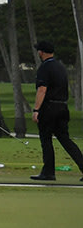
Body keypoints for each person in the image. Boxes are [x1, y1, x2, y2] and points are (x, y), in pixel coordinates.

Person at [30, 39, 83, 182]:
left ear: (41, 52)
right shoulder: (60, 67)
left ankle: (48, 172)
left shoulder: (44, 68)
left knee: (46, 140)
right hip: (62, 107)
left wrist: (36, 109)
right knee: (65, 139)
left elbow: (42, 89)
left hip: (49, 107)